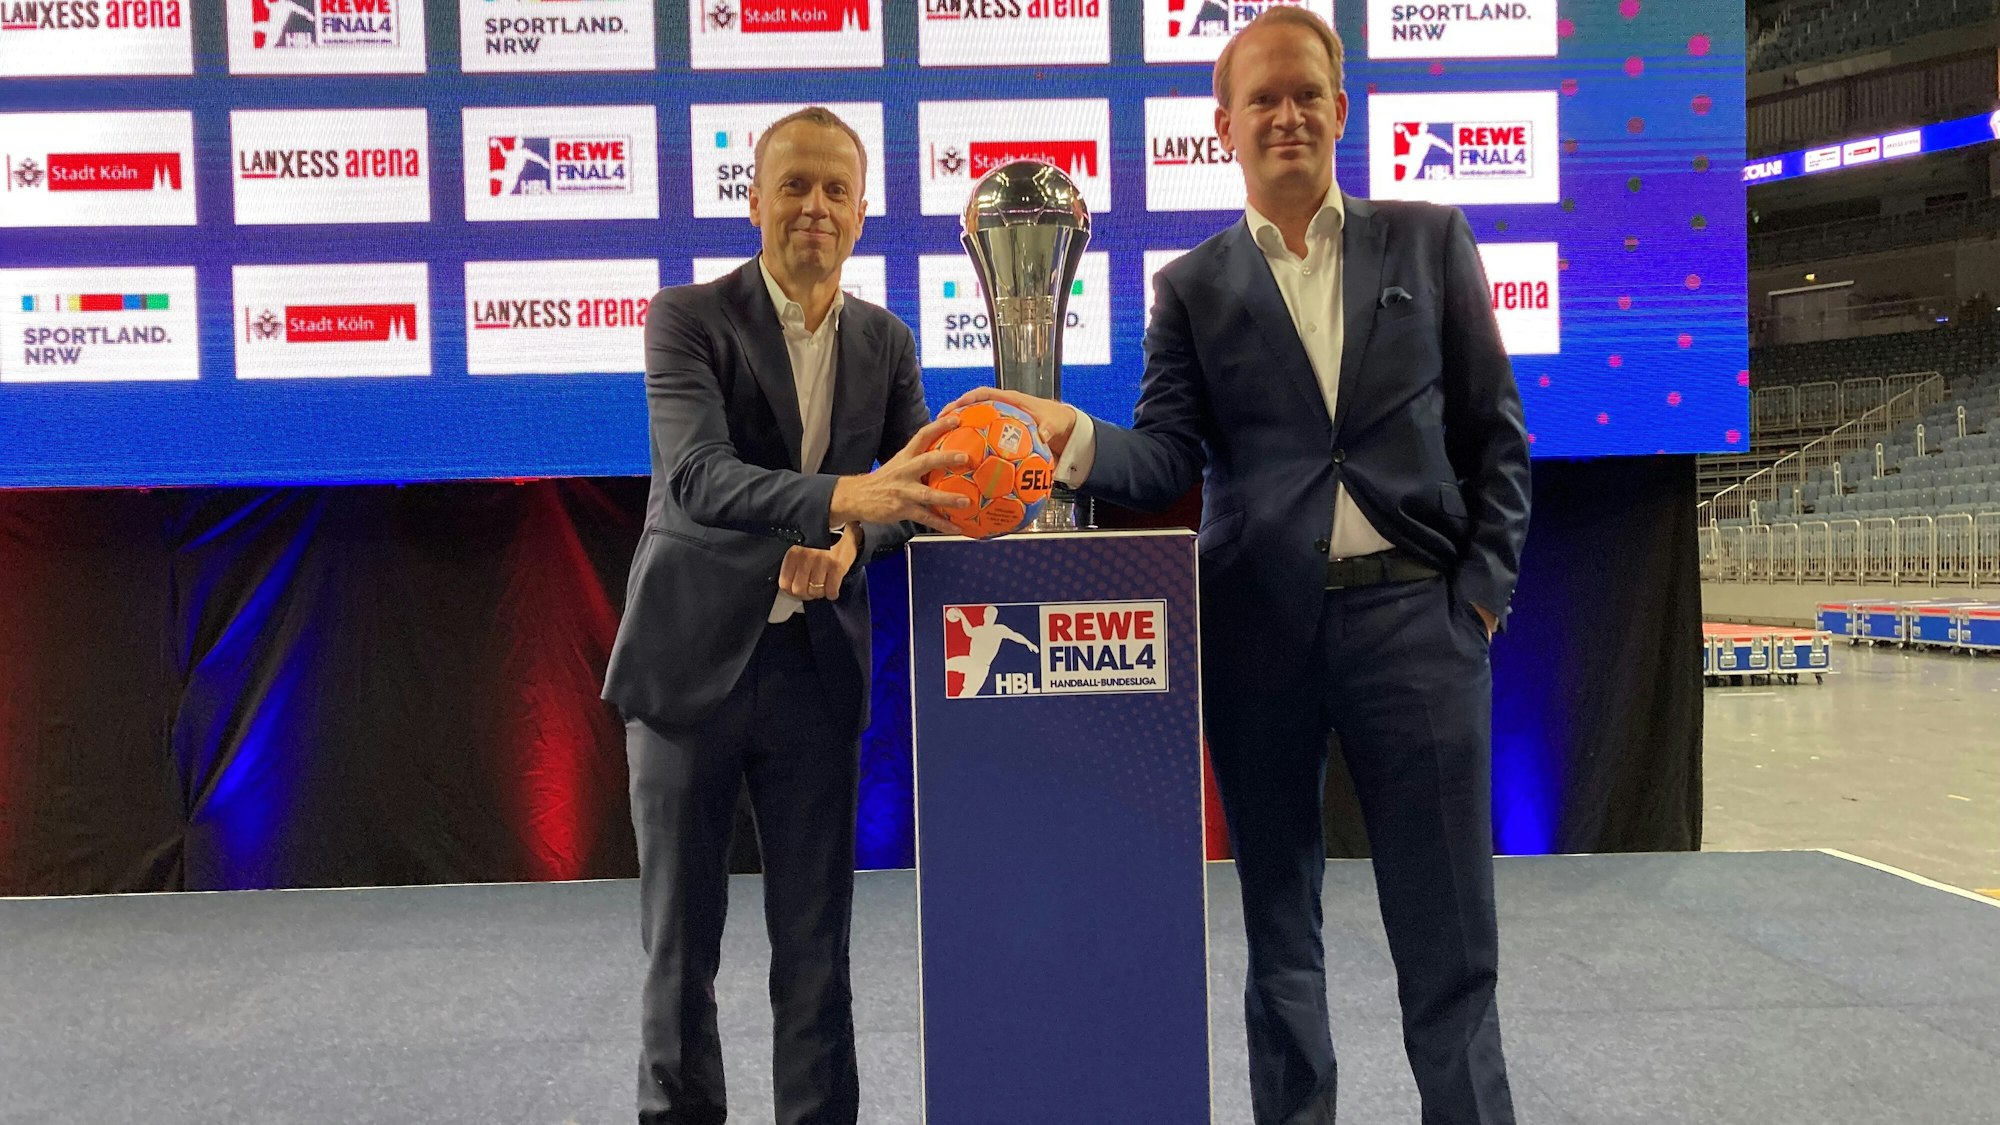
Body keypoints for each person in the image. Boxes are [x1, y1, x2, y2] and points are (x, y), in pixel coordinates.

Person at [947, 9, 1531, 1123]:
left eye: (1305, 92)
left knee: (1450, 942)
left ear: (1340, 108)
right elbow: (1164, 454)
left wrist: (1479, 600)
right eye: (1261, 98)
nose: (1286, 114)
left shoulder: (1430, 239)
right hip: (1260, 637)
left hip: (1421, 628)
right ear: (1224, 126)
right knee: (1280, 934)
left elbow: (1494, 437)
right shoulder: (1192, 287)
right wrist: (1060, 432)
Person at [602, 106, 968, 1125]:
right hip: (686, 673)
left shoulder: (885, 340)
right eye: (793, 186)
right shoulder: (686, 319)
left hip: (814, 678)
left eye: (833, 190)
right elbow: (697, 479)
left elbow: (913, 499)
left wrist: (854, 538)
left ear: (861, 213)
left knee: (817, 951)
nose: (813, 207)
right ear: (753, 200)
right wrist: (842, 500)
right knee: (681, 951)